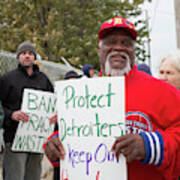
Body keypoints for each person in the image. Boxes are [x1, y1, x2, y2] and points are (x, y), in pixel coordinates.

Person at [44, 17, 180, 180]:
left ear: (133, 50)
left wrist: (150, 145)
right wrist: (54, 146)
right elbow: (69, 136)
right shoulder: (80, 94)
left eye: (125, 43)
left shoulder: (162, 91)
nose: (118, 48)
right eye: (110, 42)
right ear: (99, 50)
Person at [0, 41, 54, 180]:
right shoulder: (7, 79)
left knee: (34, 176)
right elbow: (1, 107)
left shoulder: (44, 80)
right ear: (18, 57)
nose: (27, 56)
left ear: (34, 57)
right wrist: (11, 114)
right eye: (23, 53)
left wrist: (53, 117)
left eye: (30, 53)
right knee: (14, 176)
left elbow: (52, 104)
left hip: (37, 141)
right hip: (14, 139)